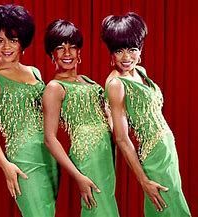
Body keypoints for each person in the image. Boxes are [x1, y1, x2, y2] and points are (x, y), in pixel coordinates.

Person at [101, 12, 191, 216]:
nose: (126, 57)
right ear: (111, 53)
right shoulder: (116, 84)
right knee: (168, 210)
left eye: (132, 50)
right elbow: (122, 138)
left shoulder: (140, 71)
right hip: (154, 156)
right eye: (119, 51)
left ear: (140, 49)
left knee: (174, 207)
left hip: (167, 150)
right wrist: (144, 181)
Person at [0, 4, 58, 217]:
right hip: (23, 160)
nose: (6, 46)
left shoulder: (35, 72)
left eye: (12, 39)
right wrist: (5, 164)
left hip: (49, 153)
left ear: (23, 40)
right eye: (0, 40)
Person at [43, 19, 119, 217]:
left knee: (106, 206)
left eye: (72, 47)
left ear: (79, 52)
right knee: (99, 209)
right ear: (52, 54)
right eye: (60, 48)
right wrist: (78, 176)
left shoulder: (87, 80)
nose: (67, 53)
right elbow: (50, 139)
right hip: (87, 152)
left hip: (106, 150)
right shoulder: (54, 88)